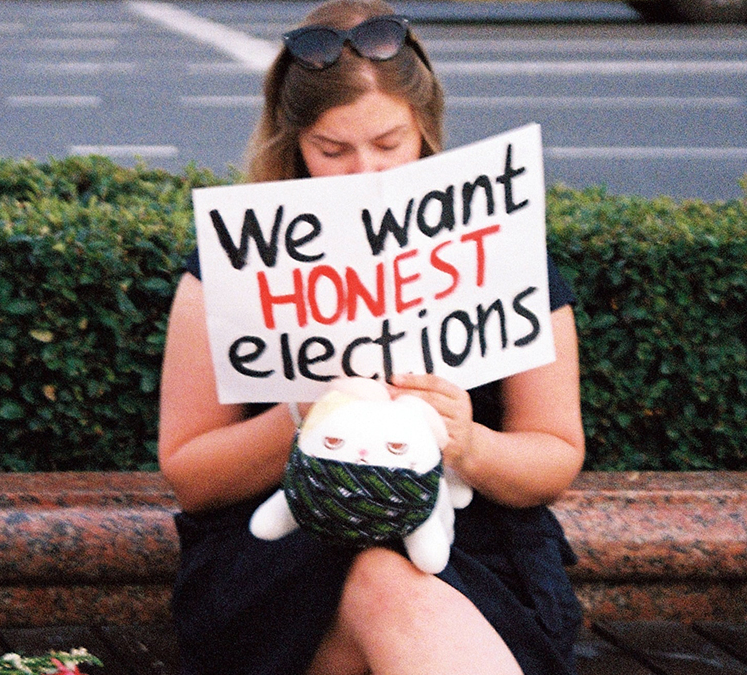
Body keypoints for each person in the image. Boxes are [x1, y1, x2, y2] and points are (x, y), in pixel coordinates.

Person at [157, 2, 586, 673]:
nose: (366, 174)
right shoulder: (229, 266)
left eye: (389, 144)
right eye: (333, 150)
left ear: (426, 129)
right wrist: (303, 414)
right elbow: (191, 474)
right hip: (282, 558)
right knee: (383, 587)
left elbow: (555, 453)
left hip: (471, 553)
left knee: (395, 590)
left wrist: (468, 443)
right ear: (293, 143)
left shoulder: (504, 249)